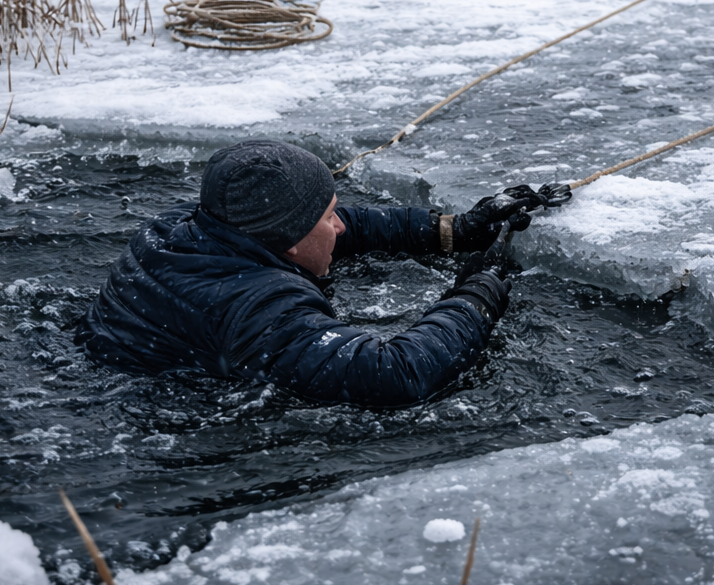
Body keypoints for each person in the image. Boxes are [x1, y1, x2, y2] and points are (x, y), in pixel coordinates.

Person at [75, 140, 567, 407]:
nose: (341, 225)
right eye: (328, 216)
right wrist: (477, 297)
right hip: (156, 409)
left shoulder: (185, 225)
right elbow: (396, 375)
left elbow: (348, 226)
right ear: (290, 237)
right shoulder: (260, 310)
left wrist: (455, 230)